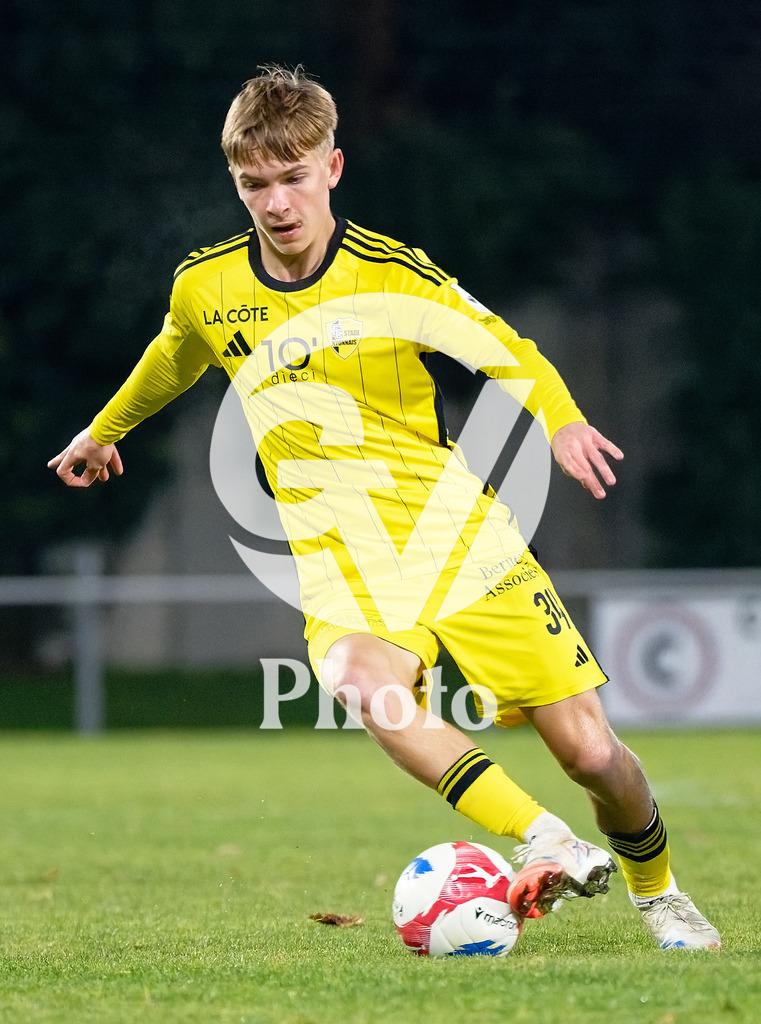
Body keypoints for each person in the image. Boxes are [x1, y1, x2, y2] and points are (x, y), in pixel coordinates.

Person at [48, 65, 719, 950]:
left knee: (592, 756)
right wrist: (102, 431)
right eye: (255, 184)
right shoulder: (205, 286)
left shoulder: (394, 275)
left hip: (458, 538)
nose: (275, 202)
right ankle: (541, 835)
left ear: (332, 167)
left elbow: (504, 350)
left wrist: (560, 422)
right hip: (341, 555)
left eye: (293, 177)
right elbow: (178, 351)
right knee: (366, 688)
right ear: (235, 181)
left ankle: (658, 889)